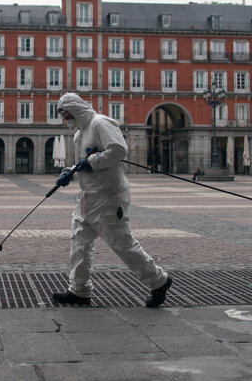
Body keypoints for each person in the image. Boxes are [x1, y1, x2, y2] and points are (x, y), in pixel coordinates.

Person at [52, 93, 172, 308]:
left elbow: (118, 150)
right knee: (79, 242)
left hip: (109, 196)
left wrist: (93, 162)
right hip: (88, 197)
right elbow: (82, 163)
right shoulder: (79, 134)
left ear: (76, 110)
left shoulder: (101, 123)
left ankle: (159, 281)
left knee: (121, 243)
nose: (66, 120)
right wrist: (69, 172)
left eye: (67, 115)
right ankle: (78, 290)